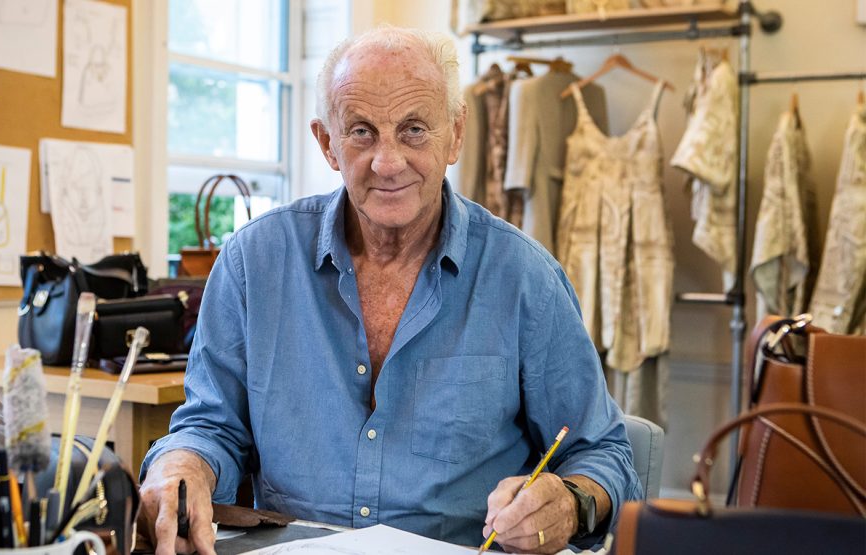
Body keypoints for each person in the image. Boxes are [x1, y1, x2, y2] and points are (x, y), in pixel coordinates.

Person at [138, 27, 641, 555]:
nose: (388, 162)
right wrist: (181, 465)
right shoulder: (252, 261)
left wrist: (569, 501)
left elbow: (604, 455)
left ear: (456, 134)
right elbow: (209, 426)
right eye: (361, 132)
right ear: (327, 143)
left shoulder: (525, 278)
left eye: (414, 130)